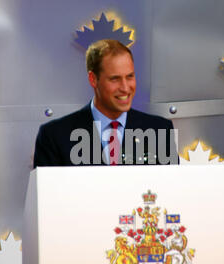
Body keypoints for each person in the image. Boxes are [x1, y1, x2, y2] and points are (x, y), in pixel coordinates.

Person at [33, 39, 177, 168]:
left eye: (130, 76)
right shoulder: (54, 136)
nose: (125, 88)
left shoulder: (160, 131)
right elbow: (48, 195)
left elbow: (172, 192)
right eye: (115, 79)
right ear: (93, 79)